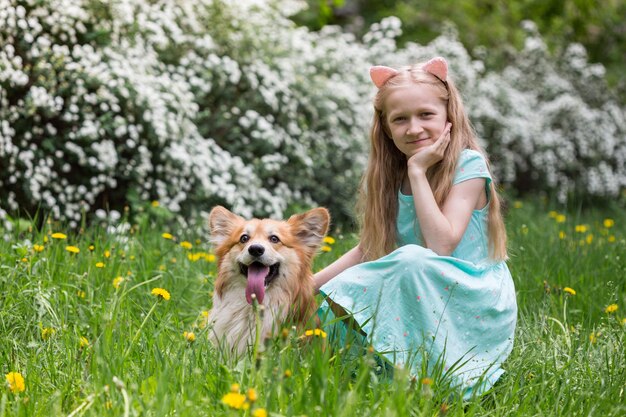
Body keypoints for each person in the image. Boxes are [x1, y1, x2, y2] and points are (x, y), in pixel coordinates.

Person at [314, 57, 517, 398]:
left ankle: (439, 373)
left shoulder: (468, 165)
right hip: (424, 291)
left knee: (410, 259)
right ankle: (381, 371)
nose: (414, 128)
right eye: (400, 119)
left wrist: (419, 172)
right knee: (326, 299)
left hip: (473, 301)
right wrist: (309, 285)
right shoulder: (389, 177)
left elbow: (441, 247)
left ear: (448, 116)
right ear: (386, 128)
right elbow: (370, 249)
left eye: (426, 115)